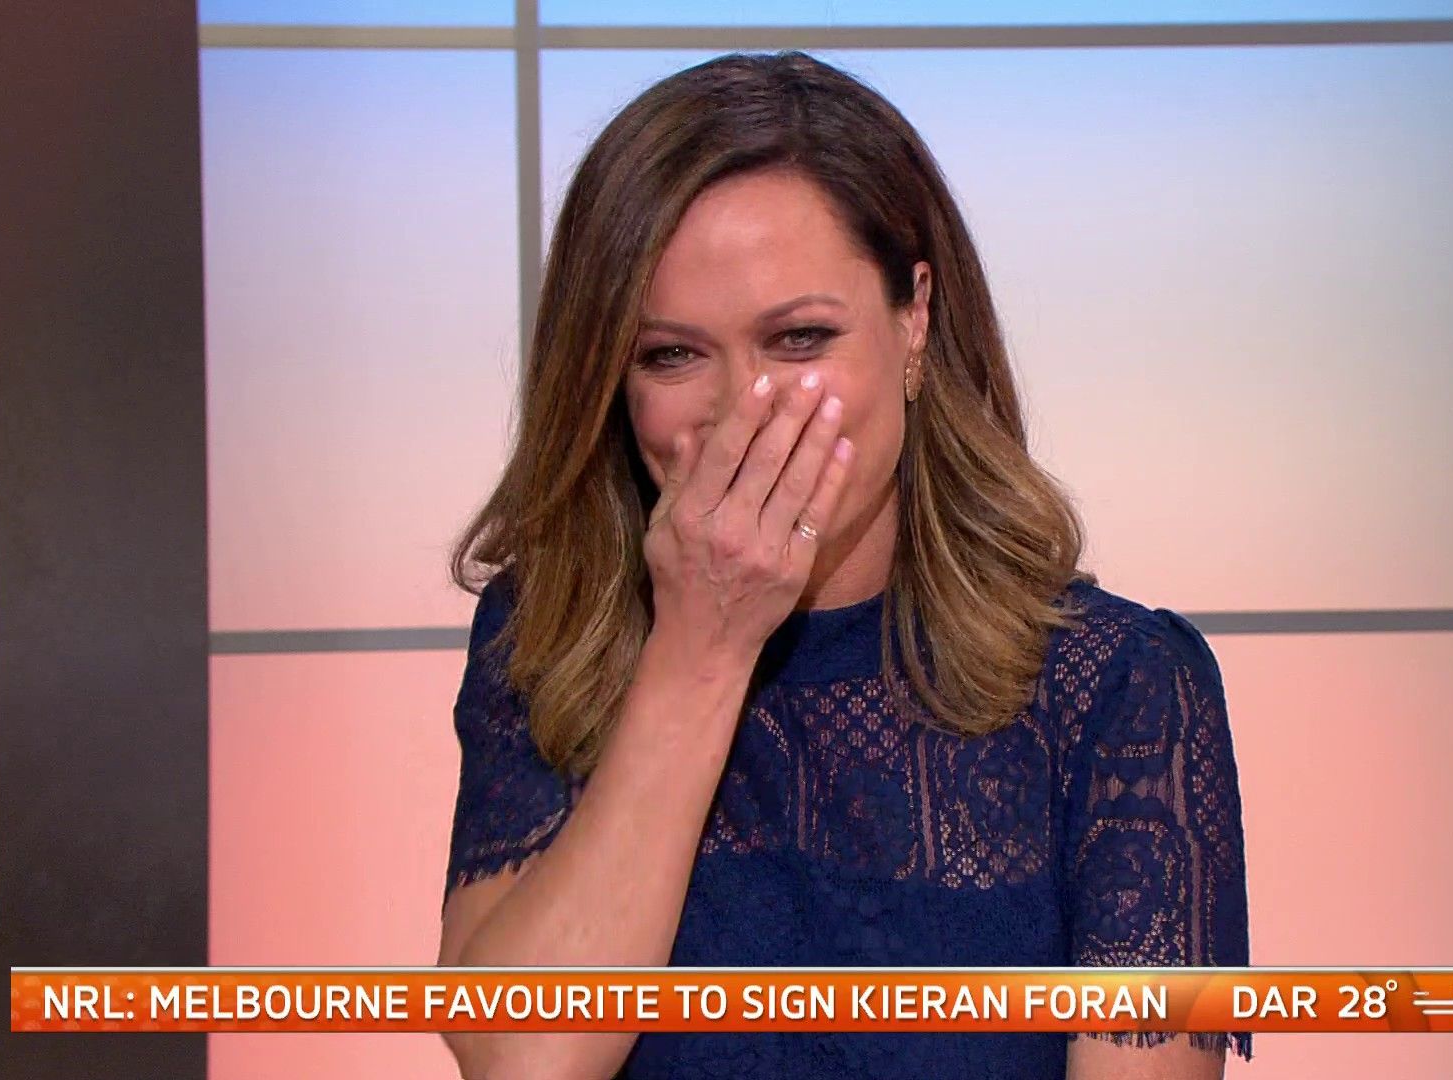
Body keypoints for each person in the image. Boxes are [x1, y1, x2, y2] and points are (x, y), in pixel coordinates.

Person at [435, 49, 1252, 1080]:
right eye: (671, 355)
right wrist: (700, 648)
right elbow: (520, 1056)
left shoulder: (1120, 685)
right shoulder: (550, 631)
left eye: (800, 338)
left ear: (915, 317)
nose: (744, 411)